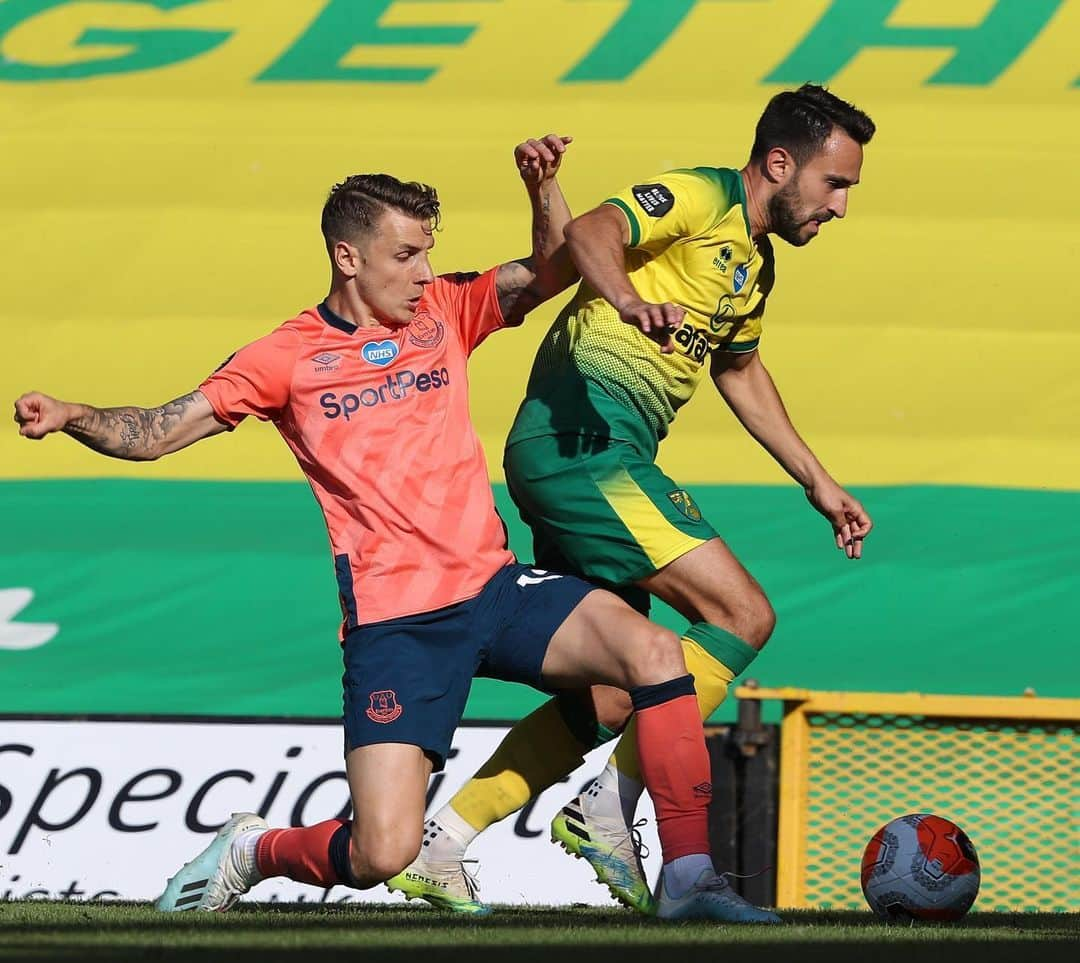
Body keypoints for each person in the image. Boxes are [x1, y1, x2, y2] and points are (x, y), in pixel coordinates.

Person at [14, 135, 777, 923]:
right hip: (399, 627)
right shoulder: (287, 357)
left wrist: (543, 190)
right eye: (405, 254)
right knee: (382, 852)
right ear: (348, 257)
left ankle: (687, 875)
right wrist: (73, 415)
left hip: (498, 589)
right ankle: (254, 848)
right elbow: (159, 429)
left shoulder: (445, 308)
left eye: (426, 253)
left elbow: (554, 270)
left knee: (651, 653)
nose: (422, 272)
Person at [392, 84, 876, 916]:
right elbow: (591, 232)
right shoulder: (701, 194)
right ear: (779, 163)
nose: (839, 208)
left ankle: (443, 842)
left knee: (616, 691)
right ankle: (615, 808)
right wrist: (624, 297)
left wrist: (818, 481)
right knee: (742, 614)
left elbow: (737, 370)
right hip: (582, 447)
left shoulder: (753, 267)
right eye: (835, 184)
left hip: (587, 457)